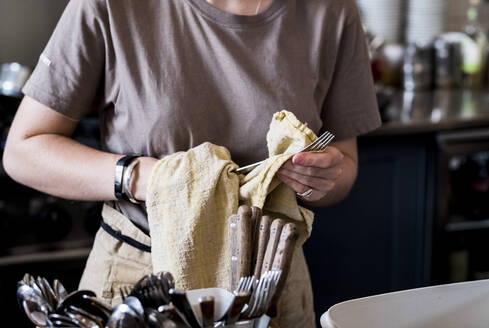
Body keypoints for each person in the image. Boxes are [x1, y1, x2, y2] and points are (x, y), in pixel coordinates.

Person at [2, 0, 381, 326]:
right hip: (140, 284)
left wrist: (323, 177)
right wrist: (144, 178)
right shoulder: (110, 6)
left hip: (269, 279)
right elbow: (24, 151)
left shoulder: (332, 12)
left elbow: (344, 167)